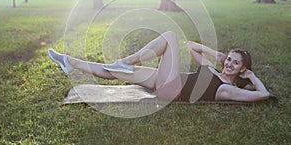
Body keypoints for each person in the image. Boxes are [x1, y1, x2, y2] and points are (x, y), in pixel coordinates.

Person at [48, 31, 270, 102]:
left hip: (173, 89)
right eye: (230, 59)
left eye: (235, 63)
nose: (229, 64)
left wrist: (252, 77)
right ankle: (69, 62)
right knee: (112, 72)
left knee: (170, 36)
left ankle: (126, 61)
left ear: (242, 69)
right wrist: (216, 54)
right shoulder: (214, 70)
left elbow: (263, 95)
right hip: (167, 81)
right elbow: (191, 46)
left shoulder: (226, 88)